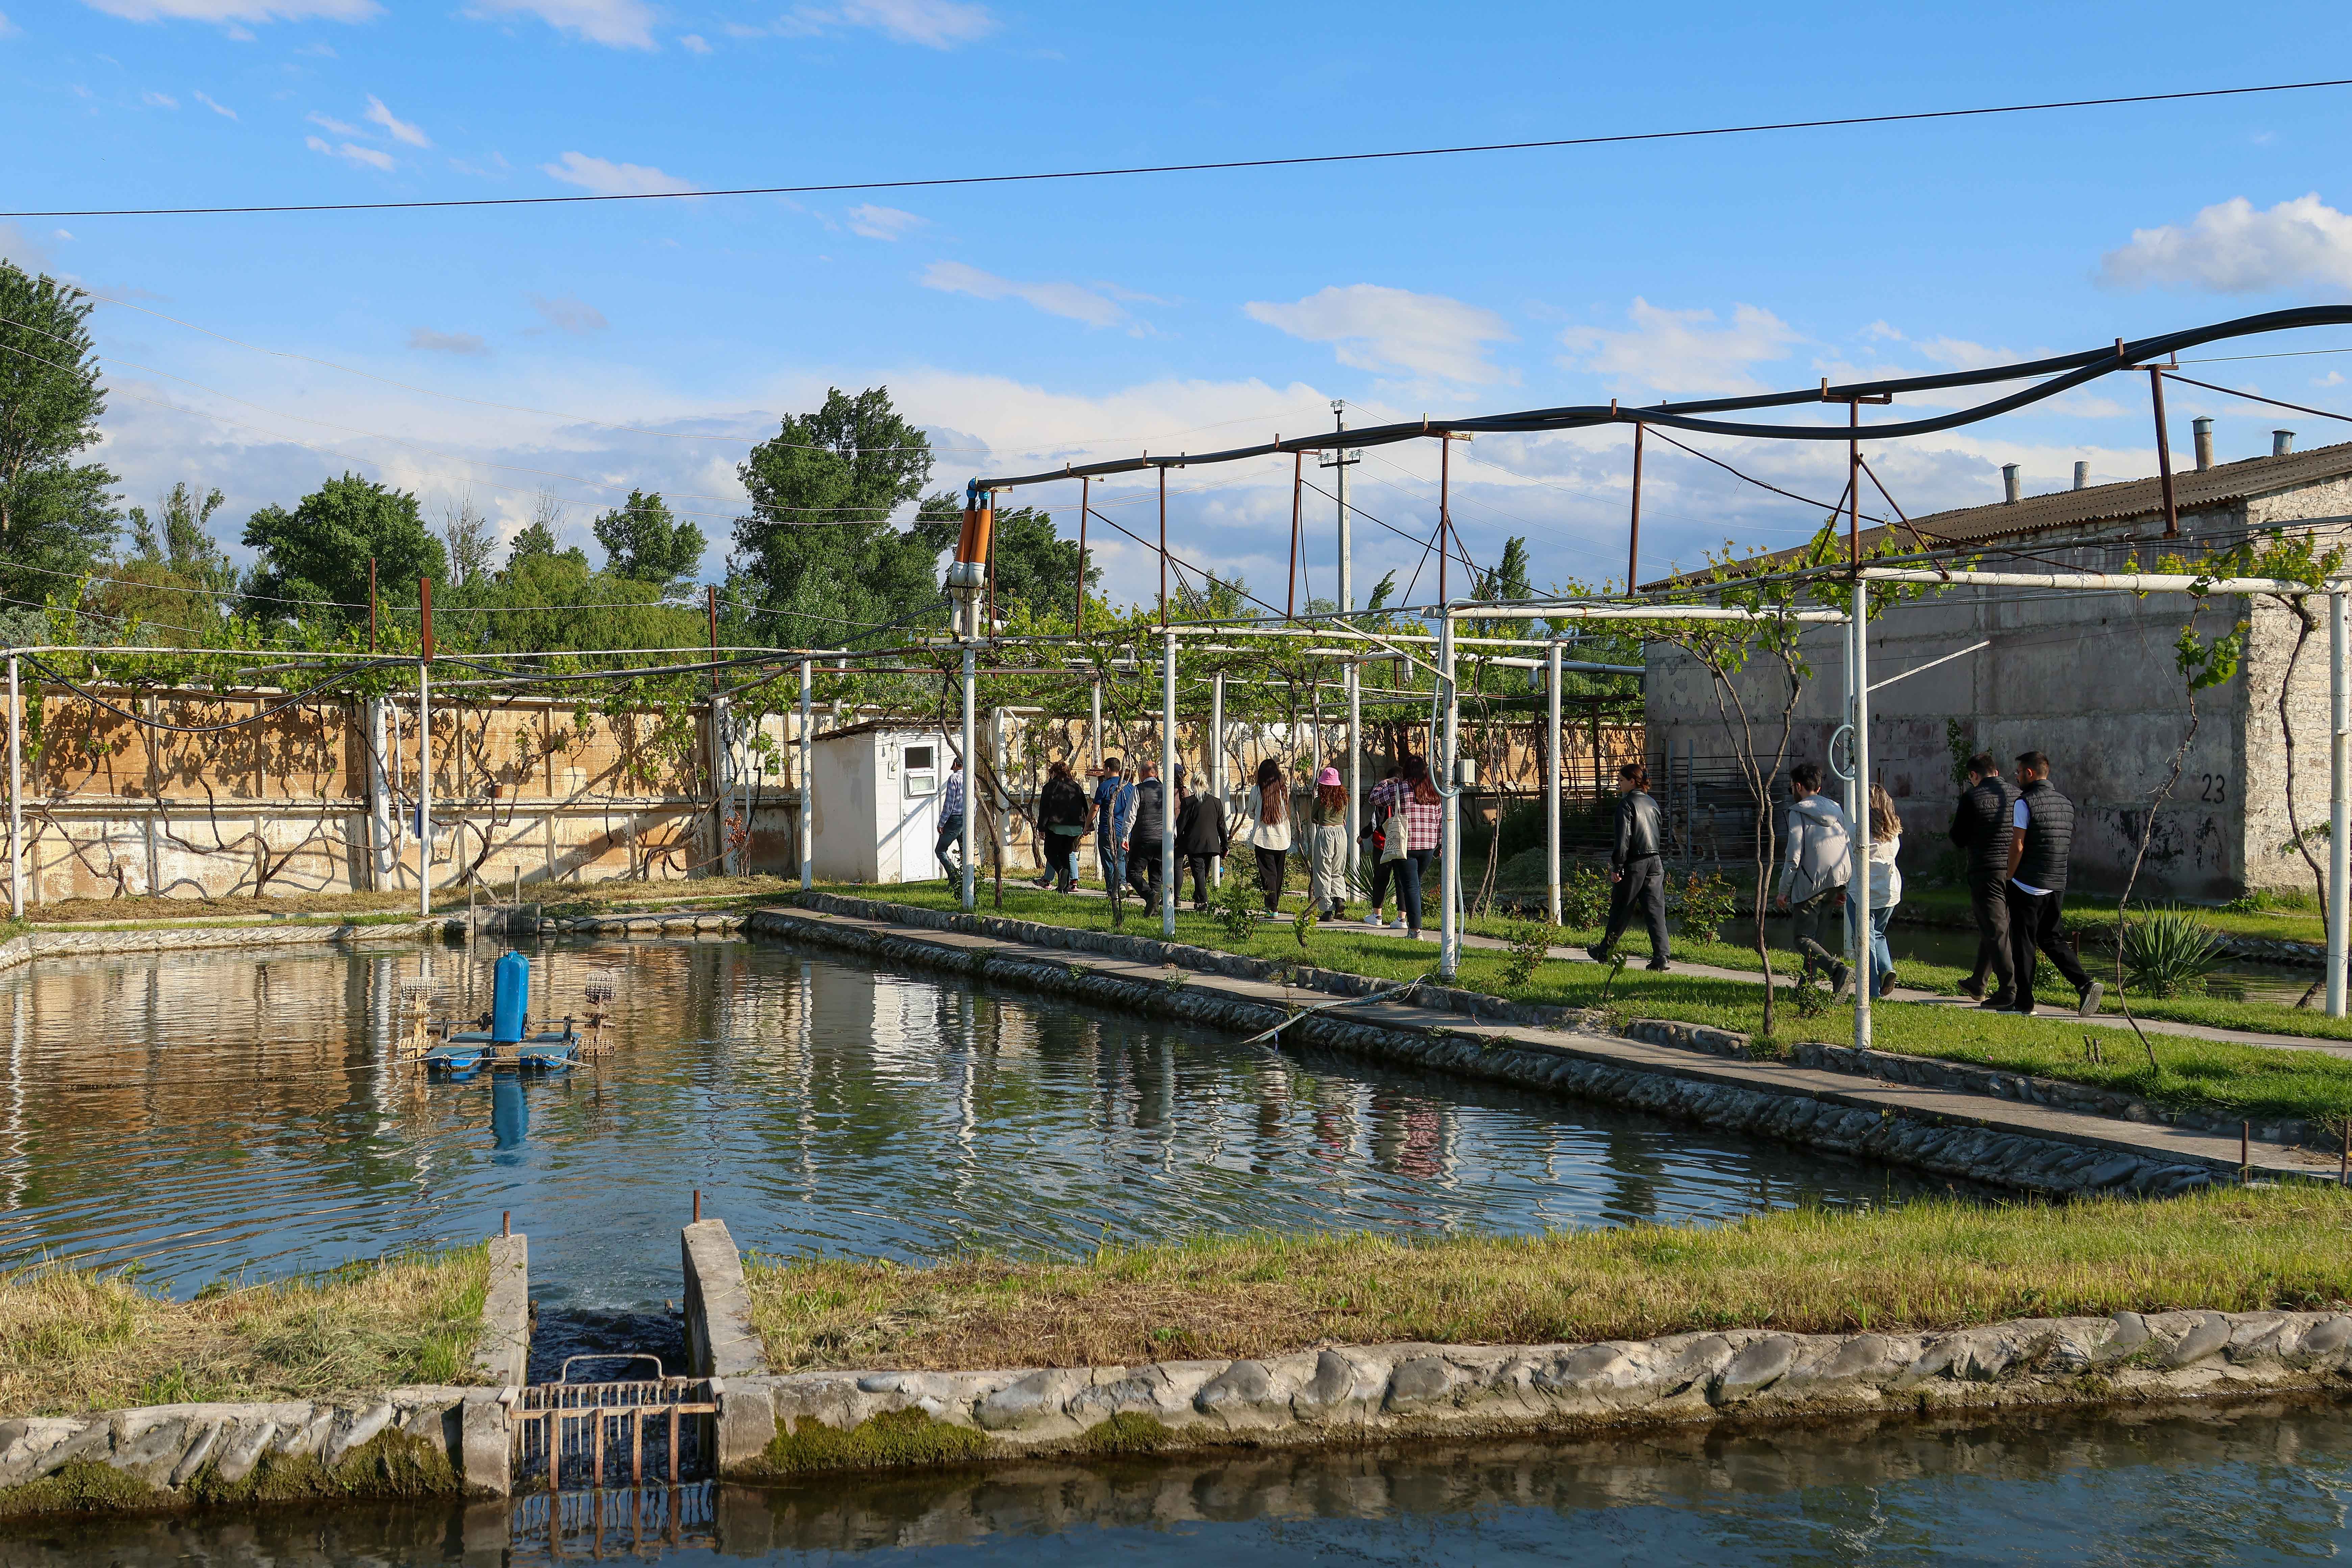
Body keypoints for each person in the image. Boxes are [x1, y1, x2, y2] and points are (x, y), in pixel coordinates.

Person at [2005, 751, 2104, 1017]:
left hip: (2027, 884)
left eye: (2018, 773)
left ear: (2029, 773)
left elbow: (2018, 845)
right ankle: (2085, 983)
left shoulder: (2024, 803)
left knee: (2024, 943)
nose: (2016, 778)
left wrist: (2009, 876)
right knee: (2051, 938)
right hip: (2057, 881)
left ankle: (2024, 1004)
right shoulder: (2066, 803)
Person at [1774, 762, 1852, 995]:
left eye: (1791, 787)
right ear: (1818, 787)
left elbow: (1794, 855)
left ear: (1798, 786)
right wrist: (1844, 888)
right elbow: (1846, 845)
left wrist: (1783, 890)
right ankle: (1806, 988)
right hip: (1837, 880)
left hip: (1811, 884)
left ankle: (1837, 970)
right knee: (1816, 940)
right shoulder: (1836, 809)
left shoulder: (1798, 812)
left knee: (1802, 939)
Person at [1947, 751, 2018, 1005]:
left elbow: (1958, 837)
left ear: (1974, 776)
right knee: (1996, 927)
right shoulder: (2017, 795)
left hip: (1986, 870)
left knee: (1996, 930)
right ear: (1996, 772)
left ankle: (2010, 990)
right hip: (2016, 870)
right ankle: (1978, 981)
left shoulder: (1972, 797)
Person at [1589, 761, 1669, 970]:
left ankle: (1605, 951)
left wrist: (1618, 866)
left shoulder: (1626, 804)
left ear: (1632, 782)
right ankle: (1662, 956)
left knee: (1621, 907)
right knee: (1655, 909)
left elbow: (1623, 839)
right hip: (1655, 861)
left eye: (1621, 780)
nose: (1619, 784)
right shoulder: (1653, 803)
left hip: (1635, 862)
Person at [1369, 756, 1442, 940]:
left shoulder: (1399, 788)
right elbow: (1440, 820)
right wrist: (1440, 844)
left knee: (1411, 887)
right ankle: (1411, 925)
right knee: (1414, 885)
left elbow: (1374, 798)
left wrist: (1386, 782)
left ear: (1407, 771)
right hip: (1429, 846)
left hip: (1406, 845)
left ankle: (1415, 931)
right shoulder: (1433, 792)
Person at [1865, 783, 1903, 999]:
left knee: (1865, 942)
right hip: (1890, 892)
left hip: (1864, 893)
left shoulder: (1860, 831)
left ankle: (1871, 991)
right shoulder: (1893, 832)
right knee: (1877, 935)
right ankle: (1887, 968)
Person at [1241, 758, 1292, 913]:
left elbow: (1251, 813)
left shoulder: (1257, 790)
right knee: (1278, 875)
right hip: (1282, 839)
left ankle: (1272, 907)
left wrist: (1259, 815)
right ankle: (1274, 904)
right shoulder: (1284, 790)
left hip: (1263, 839)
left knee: (1268, 875)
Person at [1175, 768, 1229, 909]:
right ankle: (1198, 899)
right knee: (1203, 872)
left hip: (1194, 844)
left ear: (1193, 784)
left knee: (1199, 872)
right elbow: (1221, 826)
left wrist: (1176, 840)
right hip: (1211, 844)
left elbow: (1181, 825)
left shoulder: (1189, 802)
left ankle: (1203, 901)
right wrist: (1225, 845)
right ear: (1206, 785)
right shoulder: (1216, 802)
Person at [1034, 759, 1088, 893]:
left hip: (1056, 826)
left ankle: (1060, 870)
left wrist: (1041, 828)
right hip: (1075, 827)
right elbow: (1084, 805)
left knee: (1050, 852)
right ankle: (1063, 889)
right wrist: (1088, 825)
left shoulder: (1050, 787)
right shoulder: (1076, 786)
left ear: (1055, 773)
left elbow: (1045, 808)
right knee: (1065, 854)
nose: (1050, 776)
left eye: (1051, 773)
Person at [1361, 765, 1402, 925]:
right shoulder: (1406, 796)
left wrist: (1363, 836)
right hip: (1401, 845)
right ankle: (1402, 918)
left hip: (1382, 845)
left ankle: (1377, 915)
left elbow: (1375, 822)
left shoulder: (1384, 797)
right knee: (1401, 881)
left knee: (1380, 880)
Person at [1307, 767, 1351, 920]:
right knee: (1337, 870)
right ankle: (1339, 899)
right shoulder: (1344, 800)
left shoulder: (1319, 801)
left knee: (1323, 871)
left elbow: (1314, 818)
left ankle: (1327, 910)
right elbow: (1345, 818)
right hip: (1341, 833)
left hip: (1325, 833)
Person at [1088, 758, 1135, 899]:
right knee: (1121, 859)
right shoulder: (1129, 787)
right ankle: (1123, 884)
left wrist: (1087, 825)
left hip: (1107, 830)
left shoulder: (1104, 787)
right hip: (1124, 831)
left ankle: (1112, 891)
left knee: (1109, 861)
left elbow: (1095, 808)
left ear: (1108, 769)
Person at [1128, 759, 1167, 909]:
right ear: (1156, 774)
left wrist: (1125, 836)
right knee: (1156, 877)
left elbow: (1131, 815)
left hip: (1143, 839)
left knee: (1133, 873)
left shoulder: (1139, 789)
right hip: (1162, 839)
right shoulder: (1165, 790)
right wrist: (1173, 836)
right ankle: (1154, 910)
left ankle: (1149, 895)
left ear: (1142, 773)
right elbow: (1171, 816)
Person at [935, 756, 966, 883]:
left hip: (955, 820)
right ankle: (967, 879)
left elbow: (949, 803)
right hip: (967, 818)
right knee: (965, 851)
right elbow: (975, 801)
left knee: (940, 850)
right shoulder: (971, 778)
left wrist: (942, 823)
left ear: (955, 765)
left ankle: (954, 878)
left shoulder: (954, 778)